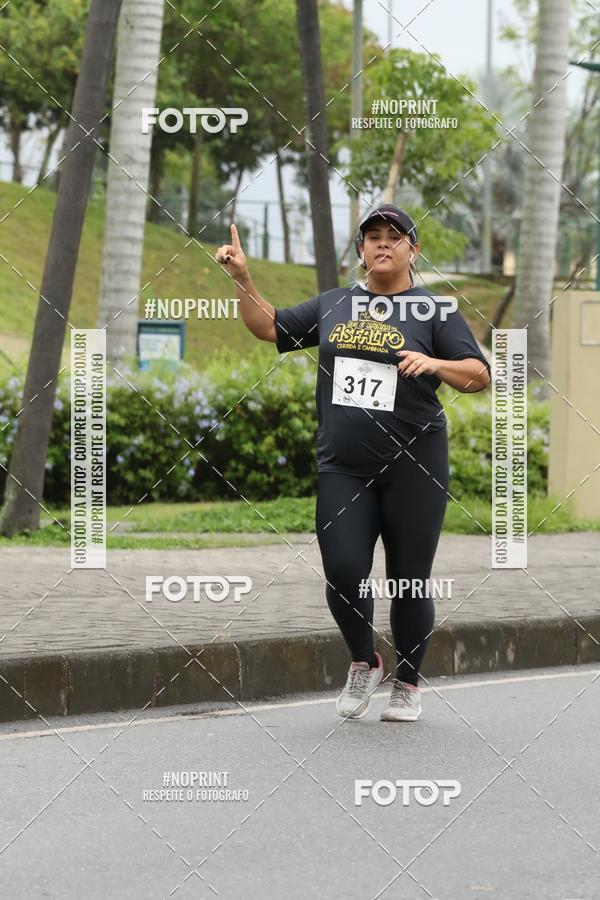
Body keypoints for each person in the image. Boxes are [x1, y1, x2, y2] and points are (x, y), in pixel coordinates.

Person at [215, 205, 490, 722]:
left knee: (409, 579)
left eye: (394, 237)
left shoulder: (436, 312)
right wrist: (244, 280)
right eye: (372, 237)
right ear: (360, 249)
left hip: (416, 466)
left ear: (414, 249)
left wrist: (435, 363)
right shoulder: (336, 303)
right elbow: (268, 329)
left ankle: (407, 682)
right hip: (344, 466)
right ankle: (364, 661)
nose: (382, 245)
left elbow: (479, 374)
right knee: (343, 571)